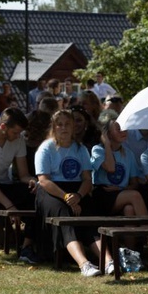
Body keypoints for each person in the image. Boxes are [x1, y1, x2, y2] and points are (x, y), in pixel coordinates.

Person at [34, 110, 110, 276]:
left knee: (89, 214)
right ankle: (84, 264)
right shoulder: (46, 148)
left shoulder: (80, 149)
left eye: (67, 124)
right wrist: (66, 197)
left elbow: (87, 179)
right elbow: (44, 180)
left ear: (73, 126)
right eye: (59, 124)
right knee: (64, 214)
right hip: (51, 190)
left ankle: (108, 261)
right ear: (54, 127)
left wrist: (78, 196)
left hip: (77, 190)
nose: (63, 128)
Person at [0, 108, 37, 265]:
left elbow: (23, 175)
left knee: (37, 195)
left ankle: (27, 247)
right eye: (15, 132)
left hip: (5, 186)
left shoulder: (19, 139)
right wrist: (10, 206)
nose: (18, 136)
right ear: (2, 127)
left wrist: (35, 182)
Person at [90, 112, 148, 217]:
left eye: (125, 128)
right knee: (135, 196)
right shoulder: (98, 150)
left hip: (121, 193)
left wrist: (120, 189)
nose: (123, 131)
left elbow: (134, 183)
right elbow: (111, 168)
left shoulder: (128, 153)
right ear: (107, 133)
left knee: (129, 209)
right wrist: (107, 144)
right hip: (103, 194)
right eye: (118, 129)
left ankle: (133, 233)